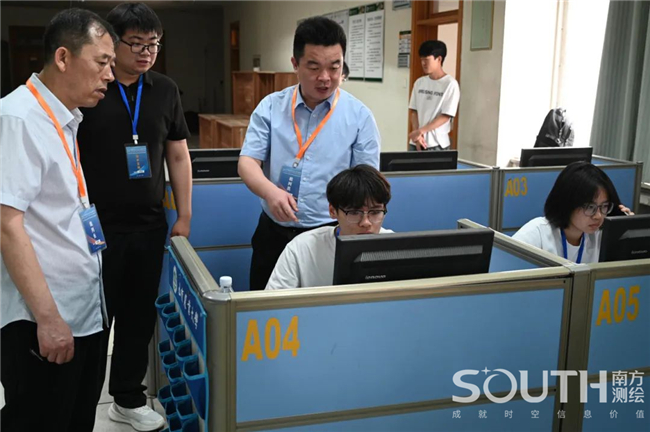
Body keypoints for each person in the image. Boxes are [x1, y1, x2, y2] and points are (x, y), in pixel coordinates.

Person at [0, 9, 117, 431]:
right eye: (102, 62)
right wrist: (49, 320)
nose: (110, 75)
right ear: (63, 57)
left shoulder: (65, 118)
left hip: (81, 311)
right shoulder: (18, 118)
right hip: (42, 321)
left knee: (76, 418)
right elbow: (6, 224)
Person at [77, 3, 191, 430]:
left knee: (139, 317)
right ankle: (80, 405)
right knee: (94, 321)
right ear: (113, 43)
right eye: (137, 44)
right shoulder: (91, 88)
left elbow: (178, 155)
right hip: (94, 226)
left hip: (148, 224)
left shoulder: (164, 89)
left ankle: (127, 398)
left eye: (154, 44)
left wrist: (184, 215)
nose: (146, 53)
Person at [239, 16, 381, 291]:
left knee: (324, 311)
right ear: (295, 64)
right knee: (264, 308)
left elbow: (367, 181)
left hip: (330, 235)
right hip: (274, 232)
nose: (325, 77)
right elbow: (247, 162)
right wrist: (270, 192)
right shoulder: (271, 107)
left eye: (334, 67)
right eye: (314, 67)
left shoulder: (359, 116)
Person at [266, 165, 392, 290]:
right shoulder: (302, 248)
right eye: (354, 213)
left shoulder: (393, 246)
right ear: (332, 211)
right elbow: (274, 299)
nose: (366, 222)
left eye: (375, 212)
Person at [513, 162, 633, 263]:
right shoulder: (537, 234)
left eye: (604, 206)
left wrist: (628, 230)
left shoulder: (600, 236)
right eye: (590, 207)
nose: (598, 216)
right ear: (568, 203)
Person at [408, 40, 460, 151]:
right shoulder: (419, 82)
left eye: (426, 60)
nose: (423, 63)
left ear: (439, 59)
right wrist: (417, 135)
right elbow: (414, 111)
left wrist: (421, 131)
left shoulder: (450, 84)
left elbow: (445, 116)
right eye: (421, 60)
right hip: (416, 142)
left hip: (437, 144)